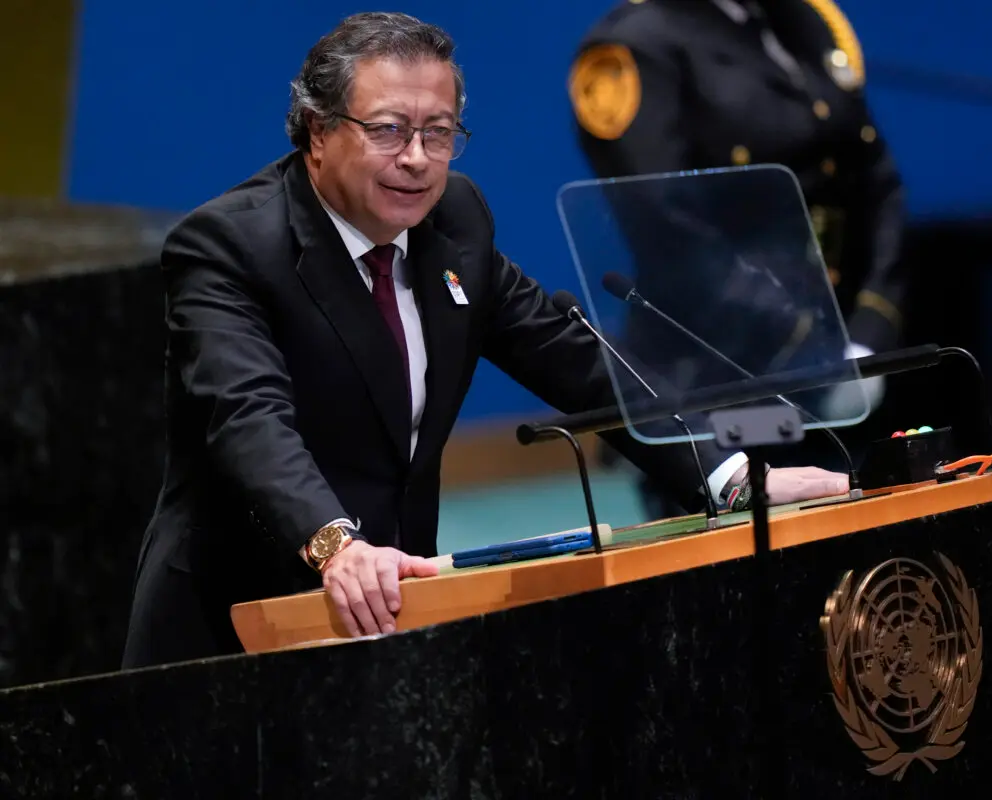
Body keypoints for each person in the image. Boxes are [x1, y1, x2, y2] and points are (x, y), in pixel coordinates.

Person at [121, 11, 850, 669]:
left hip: (396, 611)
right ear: (318, 133)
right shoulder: (227, 246)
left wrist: (730, 476)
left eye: (439, 133)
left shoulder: (454, 223)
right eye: (388, 130)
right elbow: (248, 419)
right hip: (236, 628)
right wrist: (335, 544)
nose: (416, 157)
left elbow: (579, 363)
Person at [570, 0, 909, 517]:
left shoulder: (805, 21)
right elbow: (667, 225)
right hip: (720, 374)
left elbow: (877, 185)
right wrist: (810, 344)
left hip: (842, 370)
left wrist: (869, 334)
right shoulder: (635, 45)